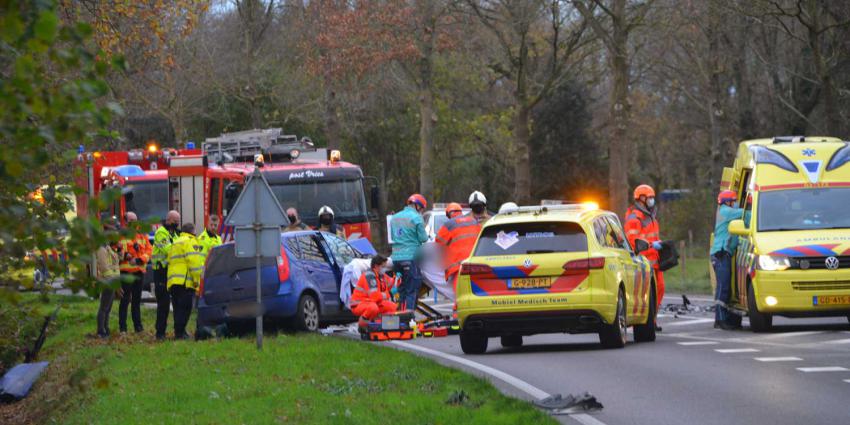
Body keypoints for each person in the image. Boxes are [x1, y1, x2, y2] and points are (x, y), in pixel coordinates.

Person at [624, 184, 664, 330]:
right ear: (641, 199)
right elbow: (633, 242)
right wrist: (652, 245)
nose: (652, 200)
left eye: (653, 197)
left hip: (654, 261)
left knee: (660, 289)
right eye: (649, 198)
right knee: (649, 294)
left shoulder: (650, 216)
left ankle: (652, 321)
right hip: (643, 263)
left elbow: (652, 237)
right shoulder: (635, 218)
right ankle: (646, 323)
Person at [436, 191, 491, 291]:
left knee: (461, 295)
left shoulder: (450, 224)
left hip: (459, 267)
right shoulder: (479, 223)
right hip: (478, 264)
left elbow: (438, 242)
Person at [711, 190, 746, 330]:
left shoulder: (724, 211)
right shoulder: (726, 211)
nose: (735, 203)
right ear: (727, 202)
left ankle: (725, 318)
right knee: (723, 287)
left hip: (723, 254)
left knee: (726, 287)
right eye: (733, 201)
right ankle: (719, 319)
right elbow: (746, 214)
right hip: (720, 254)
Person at [390, 194, 429, 310]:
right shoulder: (417, 218)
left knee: (401, 290)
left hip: (396, 259)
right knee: (411, 290)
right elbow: (424, 239)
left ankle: (399, 317)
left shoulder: (394, 217)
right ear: (418, 206)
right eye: (422, 209)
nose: (421, 211)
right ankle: (408, 319)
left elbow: (393, 237)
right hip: (410, 258)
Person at [166, 223, 204, 340]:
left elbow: (169, 260)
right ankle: (180, 334)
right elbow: (194, 263)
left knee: (177, 308)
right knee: (185, 309)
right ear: (193, 231)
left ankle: (179, 332)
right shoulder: (191, 241)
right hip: (185, 282)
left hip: (173, 281)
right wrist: (197, 280)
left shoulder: (176, 242)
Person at [118, 212, 151, 333]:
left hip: (139, 272)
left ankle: (138, 326)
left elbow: (149, 251)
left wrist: (139, 259)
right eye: (131, 220)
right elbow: (116, 249)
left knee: (137, 301)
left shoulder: (141, 235)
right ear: (125, 221)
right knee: (125, 300)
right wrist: (126, 256)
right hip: (126, 272)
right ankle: (123, 328)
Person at [152, 210, 180, 340]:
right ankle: (160, 333)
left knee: (175, 303)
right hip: (161, 272)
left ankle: (177, 331)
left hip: (171, 272)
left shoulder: (173, 233)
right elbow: (168, 250)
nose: (177, 224)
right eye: (175, 222)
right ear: (168, 220)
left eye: (178, 222)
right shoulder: (161, 233)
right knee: (163, 304)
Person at [351, 255, 397, 325]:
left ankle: (387, 327)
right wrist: (387, 294)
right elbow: (375, 296)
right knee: (373, 308)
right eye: (383, 266)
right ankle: (363, 324)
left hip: (372, 302)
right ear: (376, 266)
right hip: (359, 304)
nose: (385, 269)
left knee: (393, 307)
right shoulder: (369, 276)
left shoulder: (381, 275)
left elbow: (390, 283)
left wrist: (397, 278)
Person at [95, 218, 121, 339]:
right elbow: (105, 267)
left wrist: (119, 250)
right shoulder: (101, 247)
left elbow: (116, 261)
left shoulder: (107, 246)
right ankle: (101, 330)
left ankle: (106, 328)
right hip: (107, 281)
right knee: (104, 306)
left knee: (108, 307)